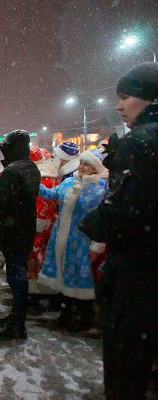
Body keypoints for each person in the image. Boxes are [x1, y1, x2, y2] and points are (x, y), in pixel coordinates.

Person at [80, 62, 158, 400]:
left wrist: (92, 223)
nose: (118, 106)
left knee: (127, 374)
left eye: (125, 97)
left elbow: (123, 211)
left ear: (148, 97)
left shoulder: (139, 142)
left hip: (138, 276)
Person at [37, 150, 107, 331]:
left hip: (83, 240)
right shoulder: (68, 182)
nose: (82, 166)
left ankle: (85, 317)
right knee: (64, 276)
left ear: (95, 167)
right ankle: (67, 314)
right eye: (81, 163)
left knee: (82, 279)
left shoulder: (101, 187)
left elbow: (103, 216)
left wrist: (98, 242)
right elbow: (50, 194)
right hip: (62, 238)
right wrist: (34, 180)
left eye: (87, 164)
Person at [0, 130, 40, 340]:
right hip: (26, 228)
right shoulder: (30, 167)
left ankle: (18, 324)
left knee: (15, 276)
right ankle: (16, 317)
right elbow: (19, 195)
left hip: (13, 231)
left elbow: (8, 204)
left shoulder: (11, 171)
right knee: (19, 273)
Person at [27, 147, 60, 306]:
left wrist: (38, 223)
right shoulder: (52, 175)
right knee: (45, 256)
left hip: (40, 224)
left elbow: (42, 203)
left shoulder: (43, 177)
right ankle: (43, 292)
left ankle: (38, 294)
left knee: (37, 258)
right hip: (50, 222)